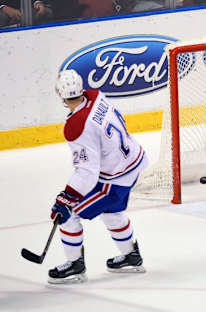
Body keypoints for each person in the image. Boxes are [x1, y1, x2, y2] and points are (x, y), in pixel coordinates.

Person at [48, 69, 149, 284]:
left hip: (114, 178)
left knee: (67, 213)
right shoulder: (96, 97)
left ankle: (75, 266)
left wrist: (67, 196)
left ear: (60, 95)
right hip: (133, 162)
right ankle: (131, 256)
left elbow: (88, 171)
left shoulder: (77, 126)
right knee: (112, 212)